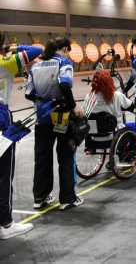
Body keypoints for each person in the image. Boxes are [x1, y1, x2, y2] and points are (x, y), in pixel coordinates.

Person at [25, 37, 85, 211]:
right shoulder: (64, 62)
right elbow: (65, 85)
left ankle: (40, 197)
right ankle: (67, 199)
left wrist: (43, 102)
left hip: (43, 114)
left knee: (42, 155)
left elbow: (29, 93)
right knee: (65, 153)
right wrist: (73, 106)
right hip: (62, 114)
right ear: (66, 48)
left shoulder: (35, 66)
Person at [0, 37, 42, 239]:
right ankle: (6, 225)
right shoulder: (5, 63)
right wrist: (9, 48)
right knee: (3, 174)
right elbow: (37, 49)